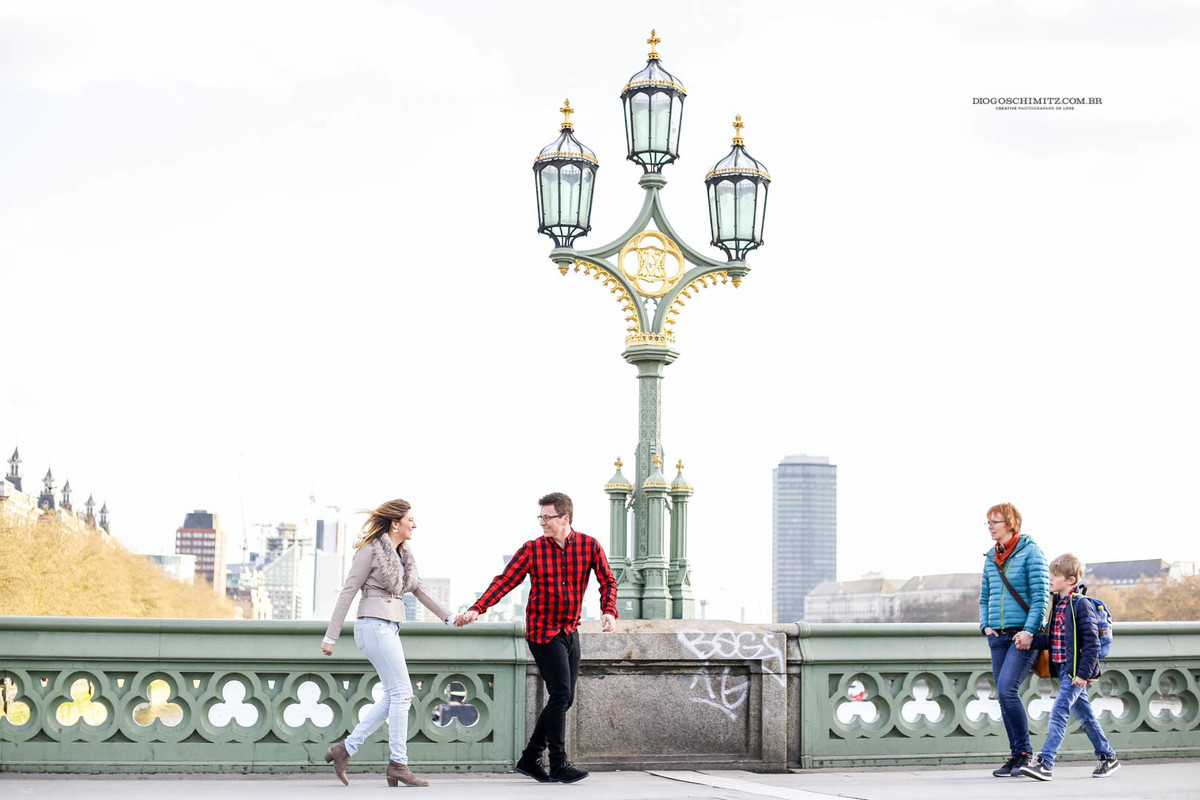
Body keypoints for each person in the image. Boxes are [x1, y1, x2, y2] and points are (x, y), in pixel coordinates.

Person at [455, 492, 617, 784]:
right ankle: (558, 763)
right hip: (543, 631)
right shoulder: (532, 549)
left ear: (565, 518)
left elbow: (607, 580)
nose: (542, 522)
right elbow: (504, 581)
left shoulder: (589, 545)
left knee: (564, 698)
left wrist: (608, 610)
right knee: (561, 695)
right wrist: (477, 608)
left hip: (570, 630)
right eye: (540, 517)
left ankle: (530, 758)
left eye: (547, 517)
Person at [320, 499, 455, 788]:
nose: (415, 524)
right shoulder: (370, 550)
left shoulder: (404, 555)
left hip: (389, 627)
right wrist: (331, 636)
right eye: (410, 519)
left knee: (395, 695)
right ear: (395, 523)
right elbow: (348, 592)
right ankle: (398, 764)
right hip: (373, 625)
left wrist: (450, 617)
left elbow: (420, 589)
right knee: (403, 694)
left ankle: (345, 749)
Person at [1020, 553, 1120, 781]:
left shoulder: (1081, 605)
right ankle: (1108, 756)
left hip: (1075, 672)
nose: (1051, 579)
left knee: (1059, 712)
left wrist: (1083, 674)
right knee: (1085, 717)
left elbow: (1093, 644)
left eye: (1056, 576)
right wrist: (1030, 640)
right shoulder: (1058, 604)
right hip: (1064, 669)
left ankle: (1045, 763)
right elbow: (1054, 639)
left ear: (1071, 580)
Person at [979, 502, 1049, 778]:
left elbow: (1041, 597)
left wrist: (1029, 631)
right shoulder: (990, 557)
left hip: (1022, 635)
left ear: (1010, 523)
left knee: (1007, 689)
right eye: (988, 522)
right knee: (1003, 695)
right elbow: (985, 597)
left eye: (995, 522)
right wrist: (985, 625)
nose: (990, 527)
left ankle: (1025, 754)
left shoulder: (1031, 552)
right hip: (998, 636)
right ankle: (1016, 755)